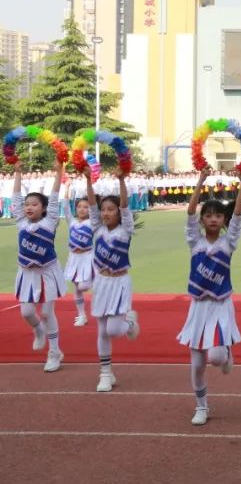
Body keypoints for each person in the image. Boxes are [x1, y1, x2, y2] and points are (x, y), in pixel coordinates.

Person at [177, 167, 241, 425]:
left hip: (220, 305)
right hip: (198, 307)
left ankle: (226, 349)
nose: (214, 219)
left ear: (223, 219)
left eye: (218, 215)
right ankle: (201, 406)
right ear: (202, 220)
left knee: (216, 358)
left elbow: (237, 215)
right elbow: (189, 213)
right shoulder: (195, 242)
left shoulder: (228, 243)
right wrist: (200, 180)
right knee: (197, 364)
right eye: (208, 215)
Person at [84, 166, 140, 392]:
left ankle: (130, 323)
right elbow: (91, 204)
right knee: (101, 330)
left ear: (118, 212)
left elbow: (125, 206)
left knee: (113, 330)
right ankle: (105, 374)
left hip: (120, 282)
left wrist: (122, 180)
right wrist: (88, 180)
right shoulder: (97, 229)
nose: (105, 213)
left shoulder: (125, 230)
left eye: (111, 209)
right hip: (101, 283)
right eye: (103, 209)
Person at [12, 163, 66, 372]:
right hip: (26, 273)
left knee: (46, 312)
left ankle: (54, 352)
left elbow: (54, 195)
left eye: (34, 204)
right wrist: (18, 172)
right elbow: (15, 197)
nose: (29, 207)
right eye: (27, 204)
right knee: (27, 312)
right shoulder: (21, 222)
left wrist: (59, 172)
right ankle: (38, 330)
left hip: (47, 272)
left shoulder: (49, 222)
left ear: (43, 208)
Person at [64, 196, 96, 327]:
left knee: (83, 286)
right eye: (79, 207)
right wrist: (66, 190)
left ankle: (98, 281)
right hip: (74, 258)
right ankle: (82, 315)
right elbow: (66, 208)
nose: (82, 209)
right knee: (77, 288)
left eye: (85, 207)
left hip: (87, 257)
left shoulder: (92, 223)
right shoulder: (72, 222)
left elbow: (94, 209)